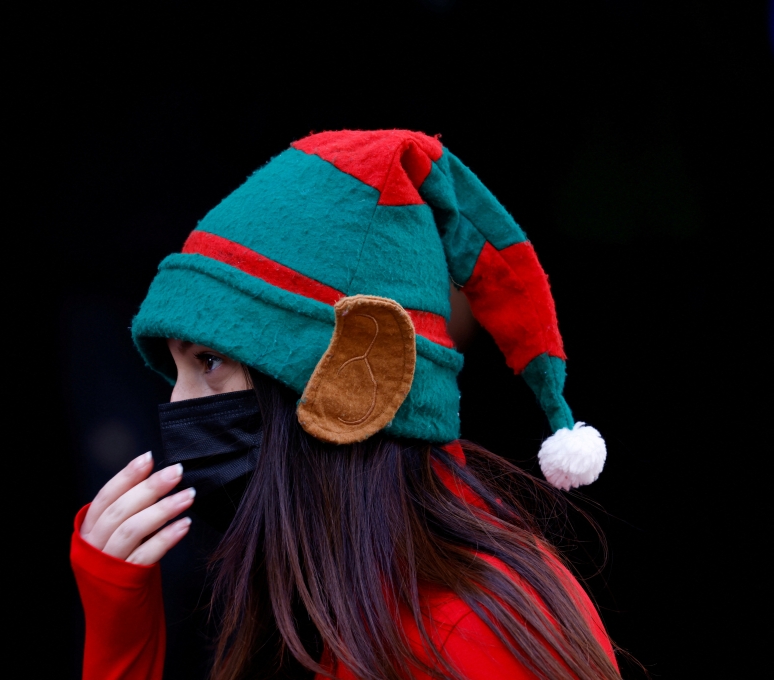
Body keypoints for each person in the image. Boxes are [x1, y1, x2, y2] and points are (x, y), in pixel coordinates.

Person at [70, 130, 617, 679]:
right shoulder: (331, 611)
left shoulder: (465, 639)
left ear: (354, 385)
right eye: (175, 369)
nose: (174, 407)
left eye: (208, 361)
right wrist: (121, 628)